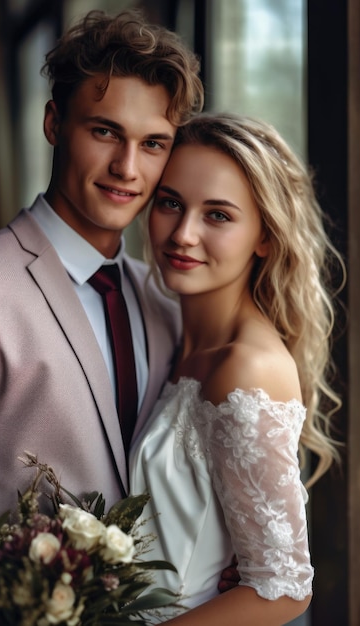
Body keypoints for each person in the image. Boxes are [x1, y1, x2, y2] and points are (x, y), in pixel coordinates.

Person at [0, 10, 204, 624]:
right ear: (54, 123)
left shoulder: (165, 301)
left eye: (154, 144)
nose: (128, 169)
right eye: (106, 132)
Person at [130, 112, 344, 624]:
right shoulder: (167, 327)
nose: (183, 234)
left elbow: (285, 587)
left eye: (218, 215)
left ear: (265, 237)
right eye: (171, 204)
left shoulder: (248, 368)